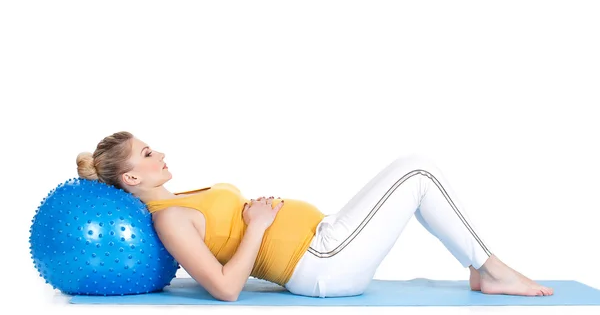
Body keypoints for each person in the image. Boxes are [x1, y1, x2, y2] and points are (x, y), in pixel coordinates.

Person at [76, 131, 553, 301]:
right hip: (322, 262)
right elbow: (224, 288)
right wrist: (259, 226)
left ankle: (482, 270)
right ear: (132, 180)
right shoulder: (169, 220)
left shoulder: (179, 200)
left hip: (324, 240)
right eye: (146, 153)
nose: (160, 152)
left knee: (413, 177)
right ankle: (492, 271)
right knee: (418, 171)